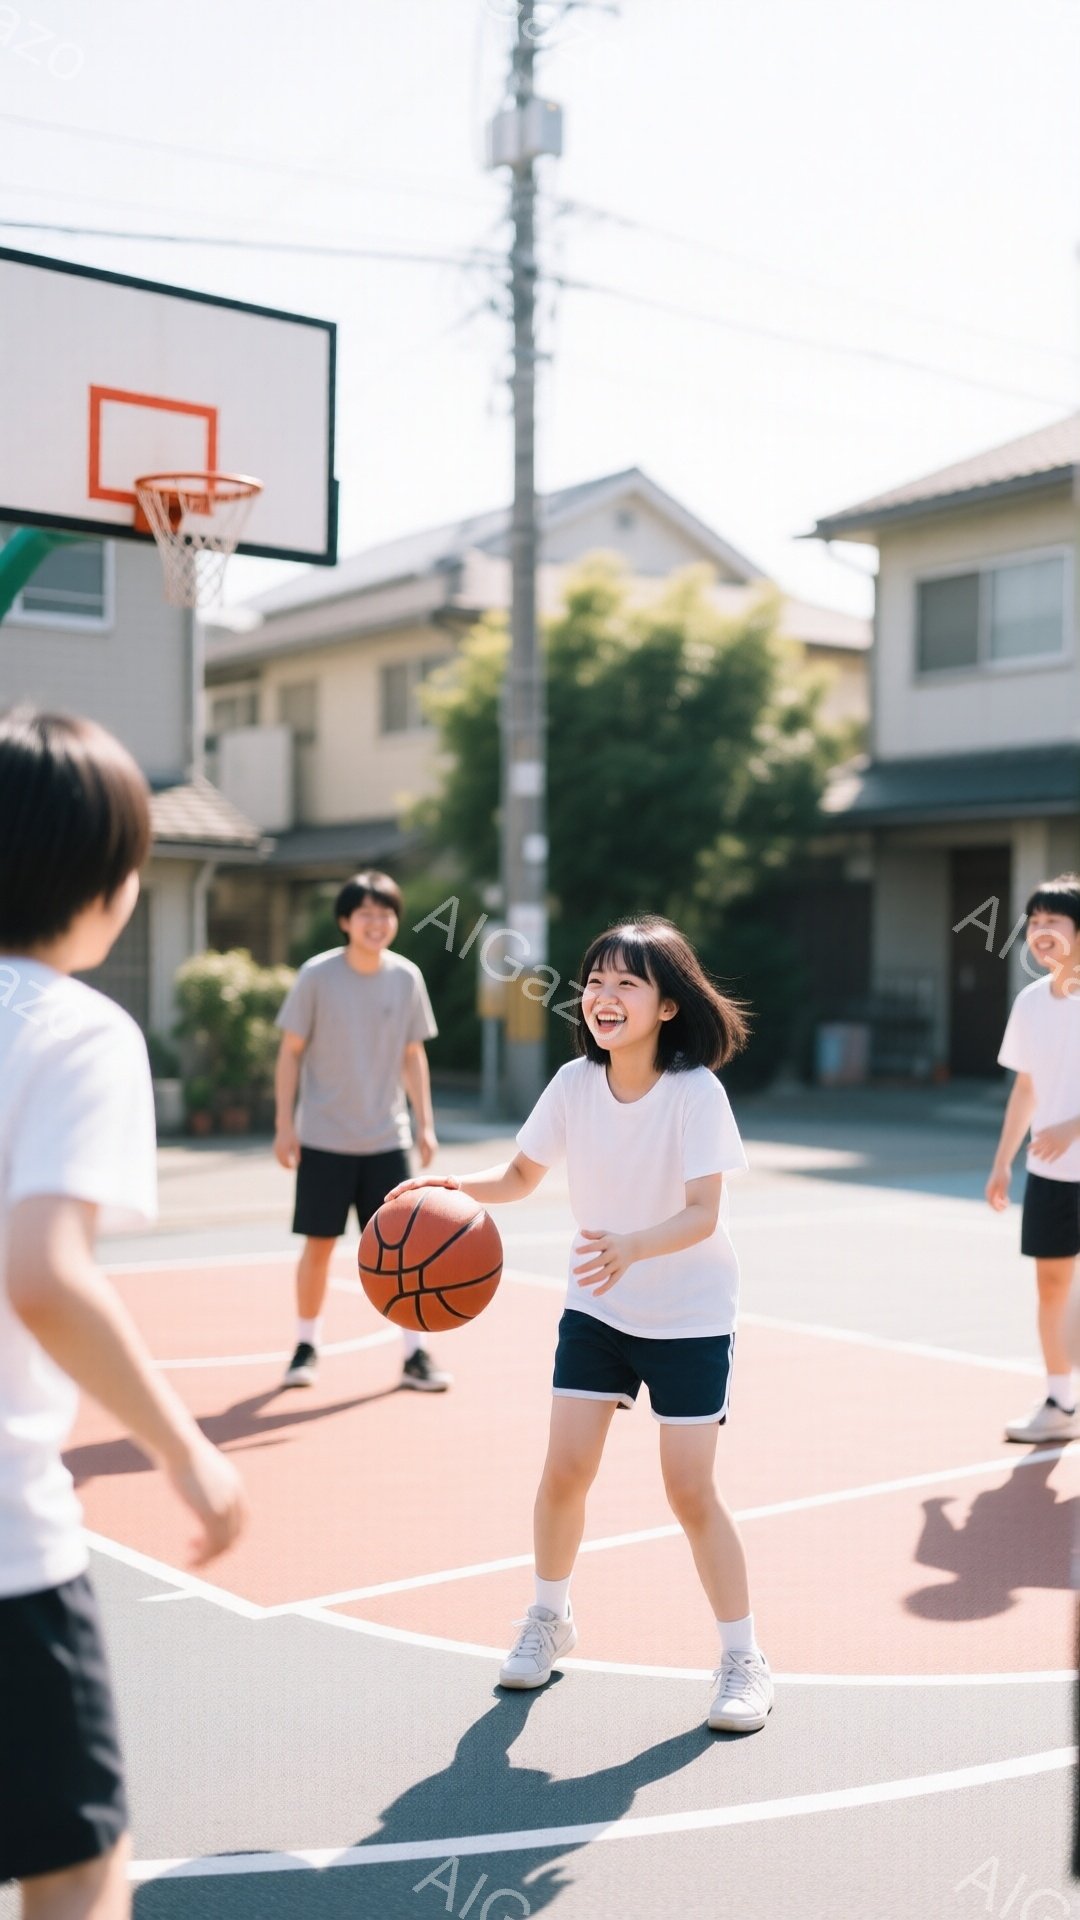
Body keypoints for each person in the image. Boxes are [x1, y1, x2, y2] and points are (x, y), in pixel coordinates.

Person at [389, 914, 773, 1733]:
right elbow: (524, 1174)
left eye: (627, 983)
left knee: (690, 1489)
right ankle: (549, 1616)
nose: (604, 995)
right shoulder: (571, 1085)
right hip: (599, 1303)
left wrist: (635, 1245)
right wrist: (444, 1188)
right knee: (564, 1471)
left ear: (668, 1005)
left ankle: (743, 1658)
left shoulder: (694, 1092)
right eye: (596, 980)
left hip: (689, 1313)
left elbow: (704, 1213)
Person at [0, 709, 248, 1920]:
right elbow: (42, 1272)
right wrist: (185, 1452)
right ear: (106, 883)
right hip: (6, 1550)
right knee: (80, 1864)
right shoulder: (76, 1033)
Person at [274, 869, 452, 1393]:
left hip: (386, 1139)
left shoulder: (406, 977)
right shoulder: (316, 976)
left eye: (386, 913)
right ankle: (305, 1346)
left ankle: (415, 1355)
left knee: (404, 1252)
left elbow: (412, 1054)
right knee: (320, 1246)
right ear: (345, 921)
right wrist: (285, 1125)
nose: (377, 923)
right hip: (325, 1138)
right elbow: (289, 1053)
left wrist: (425, 1123)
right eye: (366, 914)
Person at [988, 874, 1080, 1443]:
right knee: (1052, 1286)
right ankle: (1060, 1402)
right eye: (1034, 922)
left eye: (1054, 921)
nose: (1041, 932)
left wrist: (1075, 1123)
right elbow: (1026, 1086)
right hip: (1048, 1174)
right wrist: (1003, 1162)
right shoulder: (1029, 1002)